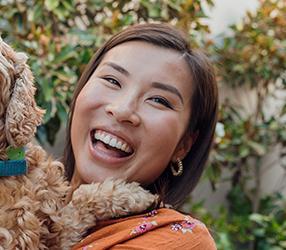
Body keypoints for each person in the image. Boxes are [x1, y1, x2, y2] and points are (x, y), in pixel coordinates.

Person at [61, 23, 219, 249]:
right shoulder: (14, 200)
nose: (123, 110)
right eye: (113, 80)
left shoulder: (179, 240)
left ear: (184, 145)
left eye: (159, 100)